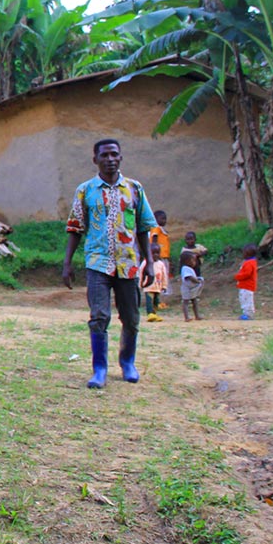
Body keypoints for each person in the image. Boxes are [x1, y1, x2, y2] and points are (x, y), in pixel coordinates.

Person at [63, 139, 157, 388]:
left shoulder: (135, 189)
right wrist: (67, 263)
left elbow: (144, 227)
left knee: (131, 317)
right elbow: (75, 228)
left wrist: (149, 262)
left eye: (114, 154)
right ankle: (99, 369)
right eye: (104, 155)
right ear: (95, 159)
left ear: (121, 157)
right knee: (99, 317)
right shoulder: (86, 190)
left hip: (128, 263)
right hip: (97, 263)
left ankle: (127, 363)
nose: (110, 159)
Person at [151, 210, 172, 308]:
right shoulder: (156, 229)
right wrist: (156, 253)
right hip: (160, 258)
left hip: (164, 258)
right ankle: (157, 301)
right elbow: (154, 241)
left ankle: (161, 301)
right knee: (160, 278)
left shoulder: (162, 230)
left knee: (163, 279)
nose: (165, 220)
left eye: (165, 218)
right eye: (162, 218)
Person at [145, 240, 169, 322]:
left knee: (156, 301)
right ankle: (150, 314)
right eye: (153, 253)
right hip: (148, 287)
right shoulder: (145, 263)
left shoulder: (161, 264)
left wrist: (164, 286)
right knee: (149, 300)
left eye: (157, 253)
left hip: (157, 287)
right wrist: (141, 283)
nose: (155, 255)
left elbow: (164, 276)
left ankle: (154, 314)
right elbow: (141, 273)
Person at [234, 243, 259, 320]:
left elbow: (247, 274)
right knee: (244, 300)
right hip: (245, 286)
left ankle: (249, 314)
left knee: (247, 300)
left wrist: (237, 277)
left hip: (247, 286)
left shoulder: (249, 263)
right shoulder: (250, 262)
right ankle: (246, 313)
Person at [180, 249, 204, 321]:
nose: (195, 262)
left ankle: (197, 315)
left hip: (191, 288)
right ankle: (186, 317)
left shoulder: (189, 268)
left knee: (194, 301)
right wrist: (197, 281)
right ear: (187, 261)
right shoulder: (185, 268)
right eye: (193, 260)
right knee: (186, 302)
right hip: (187, 288)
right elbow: (189, 277)